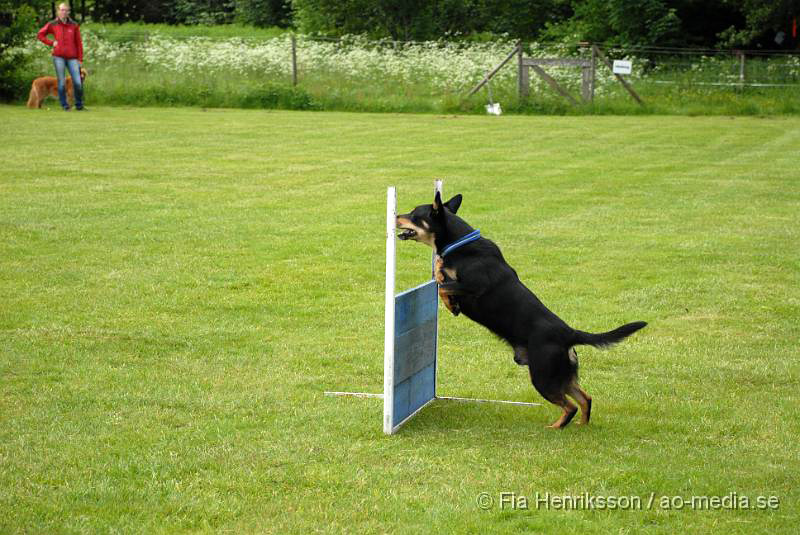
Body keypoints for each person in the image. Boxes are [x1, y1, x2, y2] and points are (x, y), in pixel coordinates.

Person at [37, 3, 85, 111]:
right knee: (62, 82)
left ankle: (79, 105)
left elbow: (79, 43)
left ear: (69, 12)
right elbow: (40, 35)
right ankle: (65, 105)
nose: (64, 12)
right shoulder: (52, 24)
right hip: (58, 57)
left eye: (66, 10)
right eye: (62, 10)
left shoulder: (74, 25)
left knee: (77, 82)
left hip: (73, 58)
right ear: (58, 11)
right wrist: (51, 43)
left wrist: (80, 59)